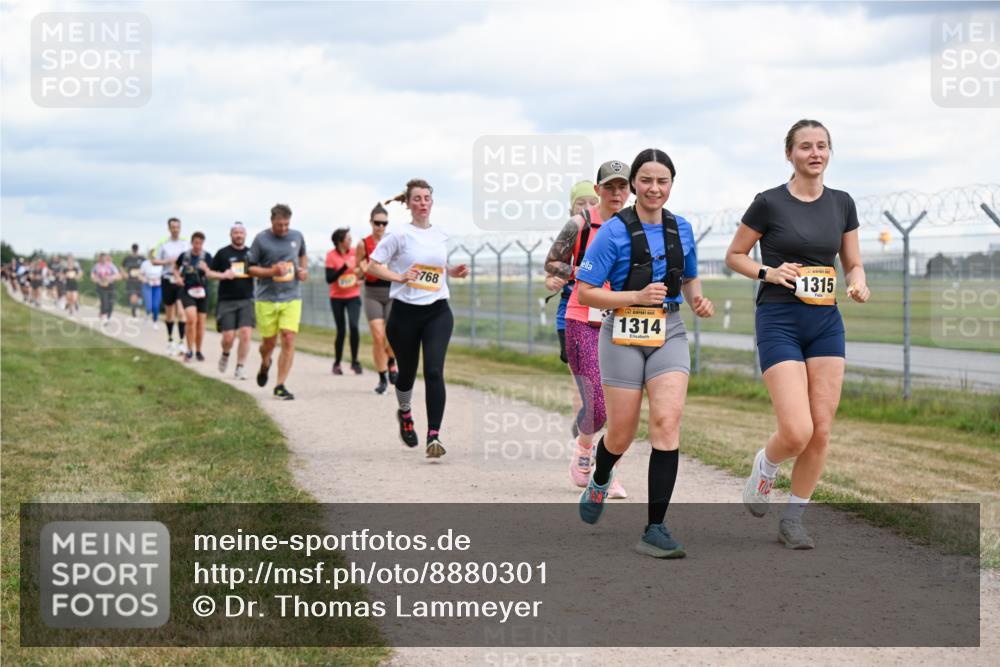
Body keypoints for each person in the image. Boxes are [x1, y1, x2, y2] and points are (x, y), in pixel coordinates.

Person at [726, 119, 870, 550]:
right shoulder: (768, 203)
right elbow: (735, 256)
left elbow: (853, 262)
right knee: (796, 430)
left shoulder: (842, 203)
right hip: (779, 319)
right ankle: (766, 467)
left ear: (830, 152)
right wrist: (768, 271)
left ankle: (793, 520)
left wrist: (858, 281)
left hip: (825, 321)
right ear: (789, 153)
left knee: (821, 430)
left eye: (822, 146)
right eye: (805, 146)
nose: (815, 153)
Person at [575, 148, 714, 559]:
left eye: (663, 181)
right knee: (622, 432)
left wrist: (698, 299)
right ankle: (600, 477)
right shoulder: (612, 232)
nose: (655, 188)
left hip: (668, 328)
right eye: (647, 180)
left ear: (672, 184)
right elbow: (585, 291)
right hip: (621, 330)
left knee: (667, 422)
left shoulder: (681, 228)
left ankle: (655, 528)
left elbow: (688, 277)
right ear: (634, 183)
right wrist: (633, 295)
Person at [367, 179, 469, 458]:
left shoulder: (441, 234)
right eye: (417, 199)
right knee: (407, 374)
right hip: (404, 314)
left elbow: (434, 267)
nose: (423, 203)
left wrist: (452, 271)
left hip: (437, 310)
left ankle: (433, 435)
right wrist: (398, 276)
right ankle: (405, 412)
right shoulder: (398, 234)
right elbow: (372, 265)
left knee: (434, 371)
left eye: (427, 198)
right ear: (408, 203)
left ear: (432, 202)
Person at [545, 163, 631, 497]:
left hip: (621, 319)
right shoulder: (579, 223)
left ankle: (609, 474)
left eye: (622, 187)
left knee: (622, 404)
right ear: (598, 190)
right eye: (610, 187)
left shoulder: (635, 226)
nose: (616, 193)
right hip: (582, 318)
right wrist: (579, 270)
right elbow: (552, 262)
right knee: (597, 403)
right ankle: (584, 450)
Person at [248, 203, 308, 400]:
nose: (283, 228)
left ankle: (280, 385)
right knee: (269, 343)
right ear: (272, 221)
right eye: (279, 224)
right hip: (266, 298)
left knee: (289, 337)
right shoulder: (261, 239)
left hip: (291, 296)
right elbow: (251, 269)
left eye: (286, 224)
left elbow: (302, 256)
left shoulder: (297, 236)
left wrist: (303, 270)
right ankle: (265, 362)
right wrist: (272, 271)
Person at [356, 203, 399, 394]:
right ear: (371, 222)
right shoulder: (363, 244)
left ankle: (391, 360)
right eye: (377, 223)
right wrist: (362, 270)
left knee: (395, 335)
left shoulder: (393, 241)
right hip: (372, 293)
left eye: (384, 223)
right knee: (377, 335)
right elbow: (357, 269)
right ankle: (382, 377)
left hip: (392, 292)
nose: (381, 227)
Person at [206, 222, 255, 380]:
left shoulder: (251, 253)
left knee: (246, 334)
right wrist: (223, 275)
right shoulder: (222, 253)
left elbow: (259, 271)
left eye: (241, 232)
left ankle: (240, 367)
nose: (238, 235)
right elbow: (209, 273)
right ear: (231, 235)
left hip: (246, 299)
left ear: (245, 234)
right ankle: (226, 354)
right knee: (228, 337)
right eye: (235, 232)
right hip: (227, 300)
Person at [326, 227, 363, 375]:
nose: (351, 241)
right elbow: (329, 279)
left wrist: (362, 278)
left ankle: (355, 362)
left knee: (354, 326)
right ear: (340, 242)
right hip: (337, 298)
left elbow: (363, 269)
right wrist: (343, 268)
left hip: (353, 296)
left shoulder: (355, 253)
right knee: (341, 330)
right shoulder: (331, 255)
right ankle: (337, 363)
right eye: (348, 239)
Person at [174, 232, 213, 362]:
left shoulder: (207, 257)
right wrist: (178, 277)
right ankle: (189, 350)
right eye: (196, 242)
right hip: (187, 290)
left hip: (202, 291)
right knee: (191, 319)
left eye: (200, 243)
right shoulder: (184, 256)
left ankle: (199, 351)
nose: (198, 245)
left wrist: (206, 269)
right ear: (192, 243)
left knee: (201, 323)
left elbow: (212, 273)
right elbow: (175, 267)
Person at [155, 218, 190, 356]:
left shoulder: (185, 243)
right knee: (170, 313)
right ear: (169, 228)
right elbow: (154, 260)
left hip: (181, 280)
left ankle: (182, 342)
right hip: (167, 278)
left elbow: (189, 259)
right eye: (173, 227)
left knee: (182, 312)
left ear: (180, 228)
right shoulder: (163, 244)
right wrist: (167, 261)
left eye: (177, 227)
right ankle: (170, 341)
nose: (175, 229)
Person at [90, 253, 122, 324]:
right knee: (104, 301)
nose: (103, 260)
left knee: (111, 303)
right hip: (101, 286)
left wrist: (110, 277)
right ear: (100, 259)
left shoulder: (111, 266)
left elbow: (118, 275)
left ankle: (107, 316)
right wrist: (97, 279)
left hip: (110, 286)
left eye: (105, 258)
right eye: (102, 258)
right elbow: (92, 276)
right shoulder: (96, 266)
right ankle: (104, 316)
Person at [139, 248, 163, 329]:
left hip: (157, 286)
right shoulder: (145, 264)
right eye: (152, 255)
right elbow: (140, 275)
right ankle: (147, 313)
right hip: (147, 286)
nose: (154, 257)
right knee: (149, 306)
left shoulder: (161, 264)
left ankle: (155, 322)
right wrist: (145, 280)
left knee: (156, 306)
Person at [122, 243, 144, 318]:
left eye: (136, 249)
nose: (135, 250)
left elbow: (147, 267)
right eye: (134, 249)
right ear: (132, 249)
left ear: (138, 249)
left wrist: (144, 276)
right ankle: (134, 310)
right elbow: (121, 267)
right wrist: (124, 273)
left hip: (140, 281)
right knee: (133, 297)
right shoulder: (127, 258)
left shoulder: (142, 258)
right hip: (131, 281)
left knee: (140, 299)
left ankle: (137, 307)